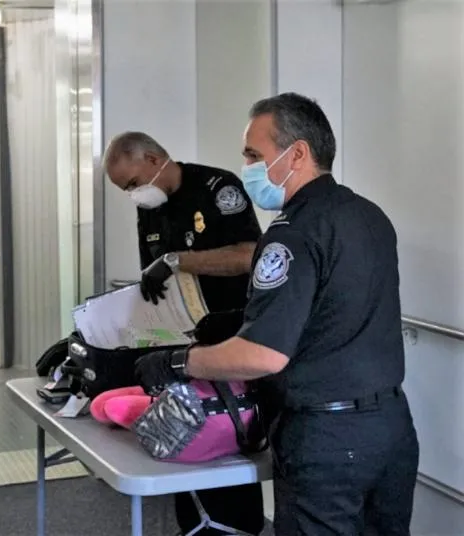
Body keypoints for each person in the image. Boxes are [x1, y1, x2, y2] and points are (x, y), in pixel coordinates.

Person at [134, 93, 419, 535]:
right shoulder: (370, 216)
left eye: (253, 154)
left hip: (327, 438)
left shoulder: (291, 235)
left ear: (298, 153)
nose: (246, 166)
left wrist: (177, 362)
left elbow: (263, 355)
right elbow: (332, 312)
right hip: (391, 429)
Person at [102, 131, 266, 535]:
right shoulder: (150, 209)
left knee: (229, 442)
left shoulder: (217, 188)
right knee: (187, 442)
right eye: (126, 190)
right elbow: (158, 272)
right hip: (180, 342)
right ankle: (195, 527)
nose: (133, 195)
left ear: (155, 159)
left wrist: (178, 260)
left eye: (133, 184)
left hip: (231, 339)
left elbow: (251, 255)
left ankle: (240, 529)